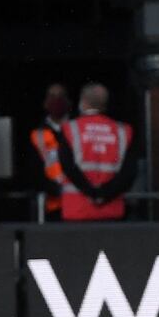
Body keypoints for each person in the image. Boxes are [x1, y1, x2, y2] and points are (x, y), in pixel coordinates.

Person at [55, 82, 137, 221]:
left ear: (83, 102)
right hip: (112, 209)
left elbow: (68, 166)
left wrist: (92, 193)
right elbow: (129, 173)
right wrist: (103, 194)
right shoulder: (123, 131)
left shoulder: (70, 129)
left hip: (77, 209)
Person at [28, 83, 71, 221]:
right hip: (50, 206)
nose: (56, 101)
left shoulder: (78, 130)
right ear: (46, 102)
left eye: (60, 96)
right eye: (52, 96)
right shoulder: (37, 135)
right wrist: (55, 190)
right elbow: (33, 172)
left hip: (78, 204)